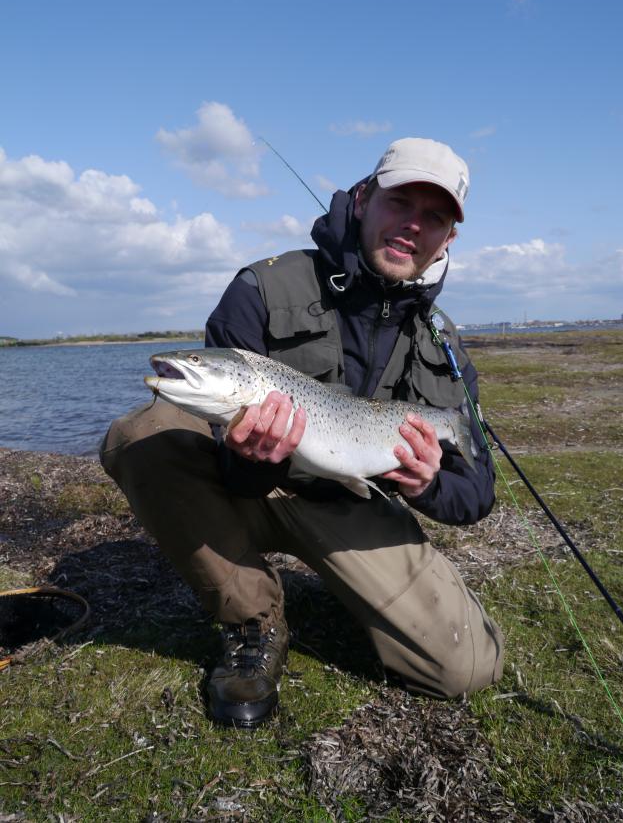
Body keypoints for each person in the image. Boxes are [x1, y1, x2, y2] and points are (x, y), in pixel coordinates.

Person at [100, 137, 504, 728]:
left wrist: (425, 485)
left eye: (434, 216)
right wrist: (252, 455)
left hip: (353, 502)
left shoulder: (443, 341)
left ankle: (356, 595)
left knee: (467, 669)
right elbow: (231, 464)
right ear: (364, 199)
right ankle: (251, 621)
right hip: (251, 487)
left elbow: (479, 493)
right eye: (399, 203)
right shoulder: (261, 289)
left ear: (449, 237)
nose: (412, 226)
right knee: (143, 432)